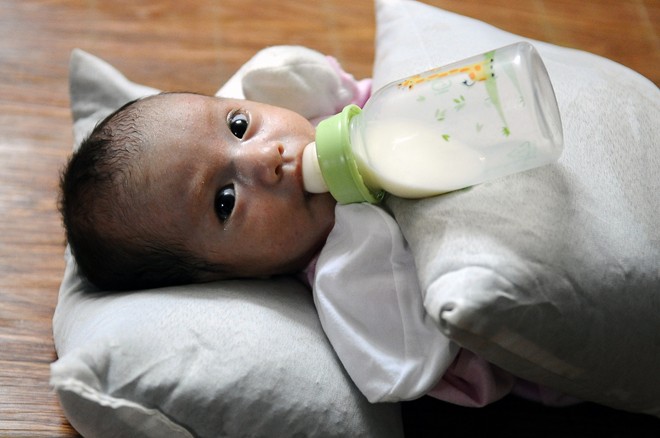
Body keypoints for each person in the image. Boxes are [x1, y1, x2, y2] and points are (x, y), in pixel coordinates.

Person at [59, 46, 576, 408]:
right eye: (224, 200)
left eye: (239, 125)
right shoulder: (347, 282)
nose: (268, 157)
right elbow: (412, 362)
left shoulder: (341, 118)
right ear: (226, 278)